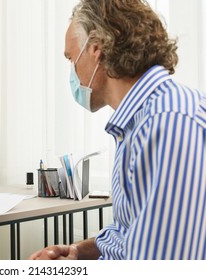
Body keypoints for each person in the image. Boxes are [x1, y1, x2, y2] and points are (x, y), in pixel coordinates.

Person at [29, 0, 206, 260]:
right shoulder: (137, 123)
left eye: (71, 59)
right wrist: (79, 252)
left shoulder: (169, 122)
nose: (73, 73)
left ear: (96, 49)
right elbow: (128, 234)